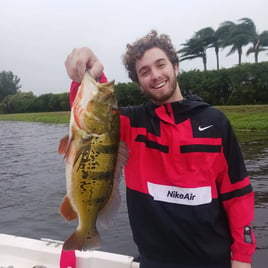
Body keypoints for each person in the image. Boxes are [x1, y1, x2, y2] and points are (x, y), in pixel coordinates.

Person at [64, 30, 256, 268]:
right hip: (154, 261)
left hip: (213, 261)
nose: (155, 75)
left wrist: (242, 256)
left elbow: (237, 195)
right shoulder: (130, 124)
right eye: (144, 72)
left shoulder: (215, 123)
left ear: (175, 67)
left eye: (160, 64)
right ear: (139, 83)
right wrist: (89, 71)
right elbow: (96, 118)